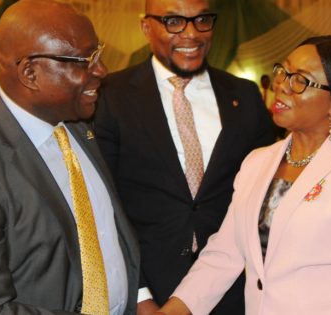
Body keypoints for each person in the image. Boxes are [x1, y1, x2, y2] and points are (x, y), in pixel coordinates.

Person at [155, 35, 331, 315]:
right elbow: (224, 254)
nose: (281, 85)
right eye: (283, 72)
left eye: (299, 80)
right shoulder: (258, 162)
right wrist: (172, 311)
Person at [0, 0, 139, 314]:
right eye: (85, 60)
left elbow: (107, 234)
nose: (102, 70)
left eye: (99, 54)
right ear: (30, 73)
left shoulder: (78, 123)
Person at [93, 0, 274, 313]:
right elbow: (100, 203)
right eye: (174, 21)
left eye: (202, 19)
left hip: (233, 290)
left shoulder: (243, 96)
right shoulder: (110, 95)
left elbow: (263, 198)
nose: (192, 33)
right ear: (146, 26)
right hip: (146, 288)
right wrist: (139, 296)